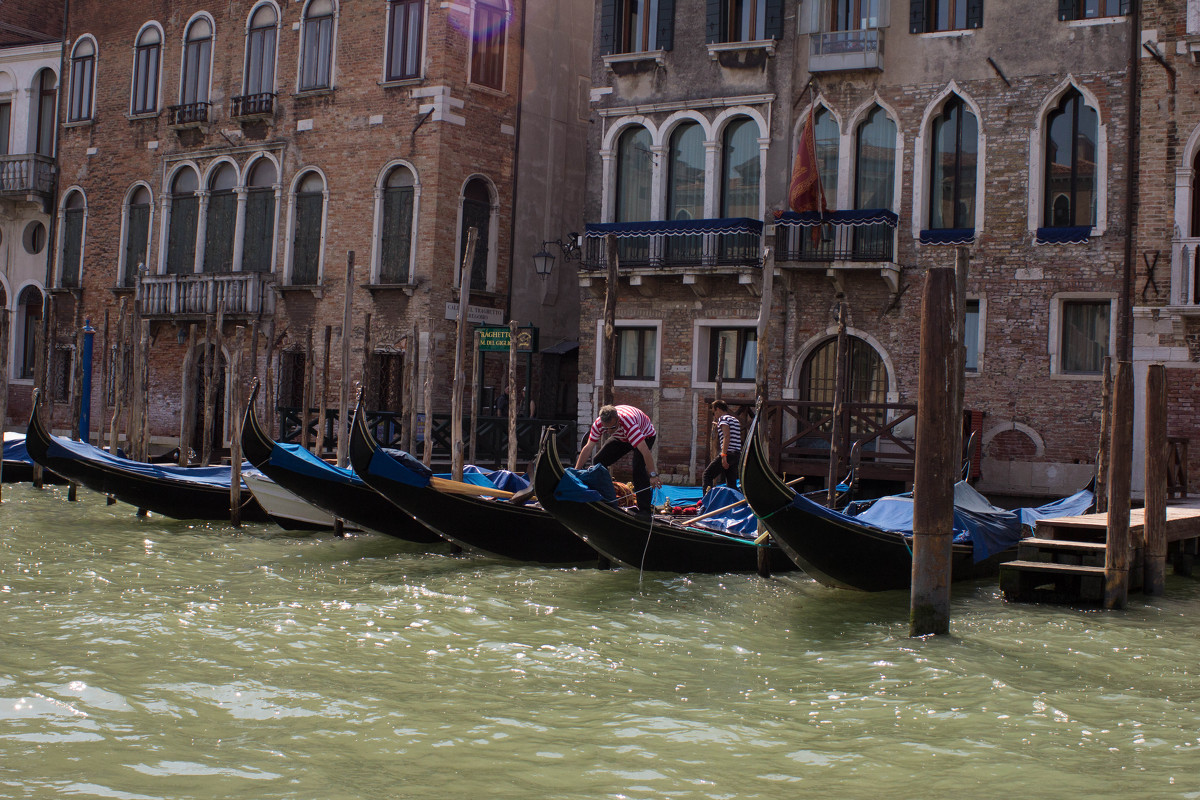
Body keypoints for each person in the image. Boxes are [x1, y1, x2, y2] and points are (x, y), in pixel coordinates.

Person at [575, 404, 662, 514]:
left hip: (645, 435)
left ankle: (644, 510)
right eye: (606, 429)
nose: (609, 432)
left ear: (617, 419)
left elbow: (645, 452)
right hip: (622, 436)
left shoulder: (628, 424)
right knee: (599, 461)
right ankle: (607, 497)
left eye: (612, 428)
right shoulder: (599, 424)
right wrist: (576, 471)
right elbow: (588, 448)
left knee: (638, 468)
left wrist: (653, 475)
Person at [702, 400, 742, 494]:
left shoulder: (723, 419)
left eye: (713, 412)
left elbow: (726, 436)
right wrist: (718, 425)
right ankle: (736, 503)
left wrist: (723, 455)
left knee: (707, 475)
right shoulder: (734, 420)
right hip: (736, 455)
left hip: (728, 454)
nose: (714, 415)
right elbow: (730, 431)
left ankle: (707, 502)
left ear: (718, 409)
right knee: (731, 484)